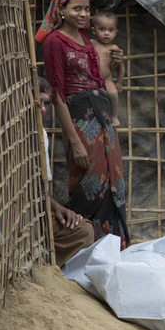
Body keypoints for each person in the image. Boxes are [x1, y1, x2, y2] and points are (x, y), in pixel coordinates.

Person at [36, 0, 131, 250]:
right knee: (91, 180)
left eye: (87, 9)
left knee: (113, 179)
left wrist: (117, 65)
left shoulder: (87, 41)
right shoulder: (55, 42)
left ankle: (113, 247)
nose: (83, 14)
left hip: (101, 116)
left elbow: (100, 79)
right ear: (61, 10)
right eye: (76, 8)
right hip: (81, 120)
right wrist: (74, 140)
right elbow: (57, 95)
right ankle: (82, 243)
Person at [35, 76, 95, 266]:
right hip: (13, 212)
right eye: (38, 102)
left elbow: (40, 189)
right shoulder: (7, 131)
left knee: (83, 230)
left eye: (46, 104)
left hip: (37, 210)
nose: (43, 110)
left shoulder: (41, 135)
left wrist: (59, 208)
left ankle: (44, 261)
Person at [90, 11, 125, 127]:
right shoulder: (91, 44)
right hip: (92, 79)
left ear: (116, 32)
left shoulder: (113, 48)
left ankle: (114, 116)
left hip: (107, 79)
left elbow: (121, 66)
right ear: (94, 30)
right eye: (102, 29)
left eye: (110, 30)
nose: (106, 33)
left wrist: (119, 82)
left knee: (113, 94)